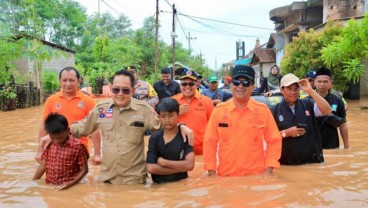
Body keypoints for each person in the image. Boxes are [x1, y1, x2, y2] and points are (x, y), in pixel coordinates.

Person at [69, 69, 194, 185]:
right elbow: (80, 129)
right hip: (107, 180)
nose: (120, 94)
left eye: (126, 90)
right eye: (116, 90)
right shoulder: (101, 109)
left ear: (133, 91)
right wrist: (53, 134)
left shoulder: (143, 110)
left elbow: (163, 126)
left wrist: (181, 126)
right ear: (111, 88)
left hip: (135, 181)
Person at [203, 65, 282, 176]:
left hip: (256, 177)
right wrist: (211, 170)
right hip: (226, 176)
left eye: (246, 82)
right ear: (231, 84)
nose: (240, 86)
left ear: (253, 87)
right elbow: (209, 142)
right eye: (236, 82)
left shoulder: (263, 110)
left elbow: (274, 140)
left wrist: (269, 169)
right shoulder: (219, 111)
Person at [36, 66, 101, 165]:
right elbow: (44, 126)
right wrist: (40, 151)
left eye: (71, 80)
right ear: (59, 81)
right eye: (64, 80)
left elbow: (95, 129)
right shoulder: (51, 100)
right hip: (55, 148)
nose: (68, 84)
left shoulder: (88, 101)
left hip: (79, 149)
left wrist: (97, 154)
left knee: (78, 178)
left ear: (78, 81)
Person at [271, 73, 332, 165]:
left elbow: (327, 111)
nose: (293, 92)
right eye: (289, 89)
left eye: (296, 89)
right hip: (286, 163)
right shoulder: (274, 110)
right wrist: (286, 133)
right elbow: (268, 139)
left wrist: (310, 91)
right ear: (282, 90)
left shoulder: (308, 104)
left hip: (312, 162)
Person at [33, 113, 89, 191]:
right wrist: (33, 182)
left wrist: (70, 184)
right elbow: (43, 166)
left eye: (60, 137)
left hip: (70, 186)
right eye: (53, 138)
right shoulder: (49, 144)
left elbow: (84, 170)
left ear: (68, 130)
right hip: (50, 185)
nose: (56, 141)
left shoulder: (77, 146)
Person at [146, 98, 195, 184]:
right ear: (159, 117)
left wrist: (164, 163)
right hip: (158, 187)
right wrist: (180, 168)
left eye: (171, 115)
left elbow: (190, 165)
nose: (167, 120)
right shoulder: (155, 139)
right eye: (163, 116)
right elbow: (150, 168)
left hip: (180, 185)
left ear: (178, 115)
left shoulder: (185, 136)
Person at [172, 70, 214, 155]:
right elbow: (164, 124)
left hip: (201, 151)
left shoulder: (207, 102)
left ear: (197, 84)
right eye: (184, 84)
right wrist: (178, 113)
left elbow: (214, 126)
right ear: (180, 85)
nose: (187, 87)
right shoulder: (172, 101)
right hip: (176, 151)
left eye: (191, 84)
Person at [314, 67, 349, 149]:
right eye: (319, 81)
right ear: (314, 82)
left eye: (325, 81)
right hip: (313, 145)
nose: (322, 84)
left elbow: (343, 124)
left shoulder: (337, 100)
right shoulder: (307, 101)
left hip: (332, 144)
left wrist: (347, 147)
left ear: (330, 83)